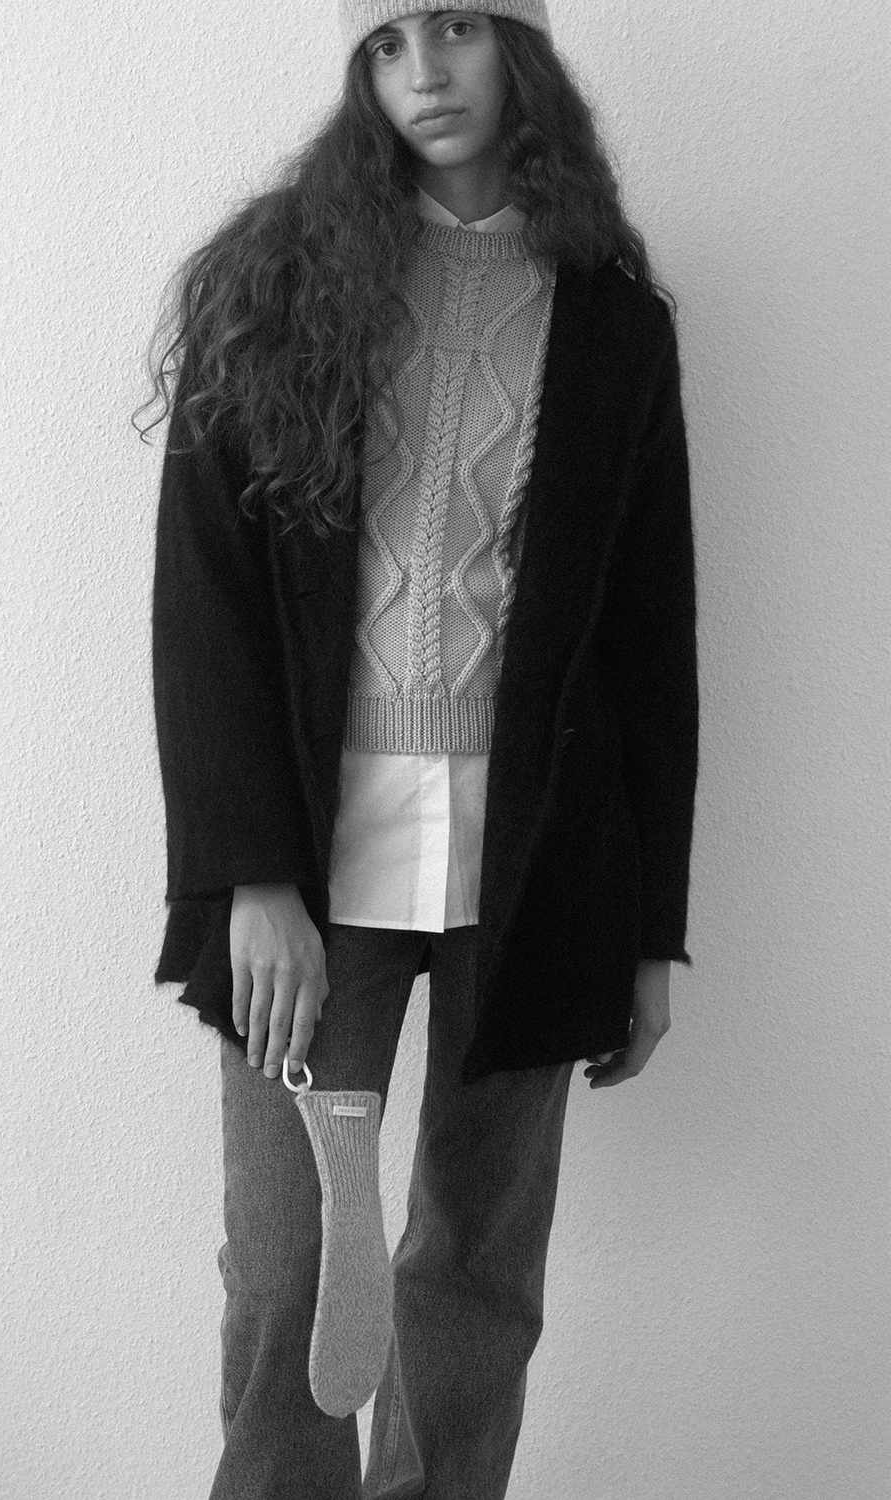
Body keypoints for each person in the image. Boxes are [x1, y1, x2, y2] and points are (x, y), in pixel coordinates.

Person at [140, 3, 699, 1496]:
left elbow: (650, 644)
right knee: (288, 1276)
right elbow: (202, 606)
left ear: (522, 47)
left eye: (454, 28)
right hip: (308, 873)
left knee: (476, 1281)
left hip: (539, 869)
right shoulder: (275, 287)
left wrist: (647, 934)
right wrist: (249, 876)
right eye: (384, 42)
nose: (423, 72)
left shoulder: (614, 322)